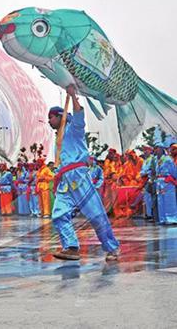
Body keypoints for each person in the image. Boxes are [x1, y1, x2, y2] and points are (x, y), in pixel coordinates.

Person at [48, 86, 120, 262]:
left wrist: (72, 96)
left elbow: (79, 115)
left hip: (79, 178)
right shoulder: (58, 139)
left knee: (96, 215)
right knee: (58, 215)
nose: (48, 121)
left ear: (60, 116)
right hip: (66, 182)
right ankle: (71, 247)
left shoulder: (73, 130)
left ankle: (112, 248)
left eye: (51, 117)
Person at [153, 139, 177, 225]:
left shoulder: (167, 159)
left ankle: (171, 218)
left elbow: (173, 171)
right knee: (160, 201)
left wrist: (174, 179)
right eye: (154, 148)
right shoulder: (156, 160)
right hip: (159, 182)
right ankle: (162, 219)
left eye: (157, 148)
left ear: (161, 149)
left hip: (167, 181)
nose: (155, 150)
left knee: (169, 200)